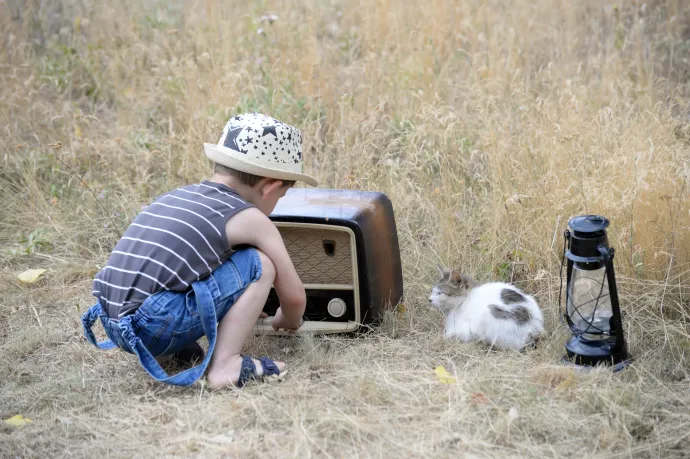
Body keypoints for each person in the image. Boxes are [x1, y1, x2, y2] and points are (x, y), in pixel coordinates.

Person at [81, 113, 317, 389]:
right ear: (270, 188)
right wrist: (285, 319)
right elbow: (294, 297)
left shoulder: (177, 197)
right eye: (281, 196)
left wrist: (236, 305)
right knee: (262, 264)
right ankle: (226, 365)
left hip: (112, 322)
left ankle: (174, 348)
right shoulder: (252, 219)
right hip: (153, 324)